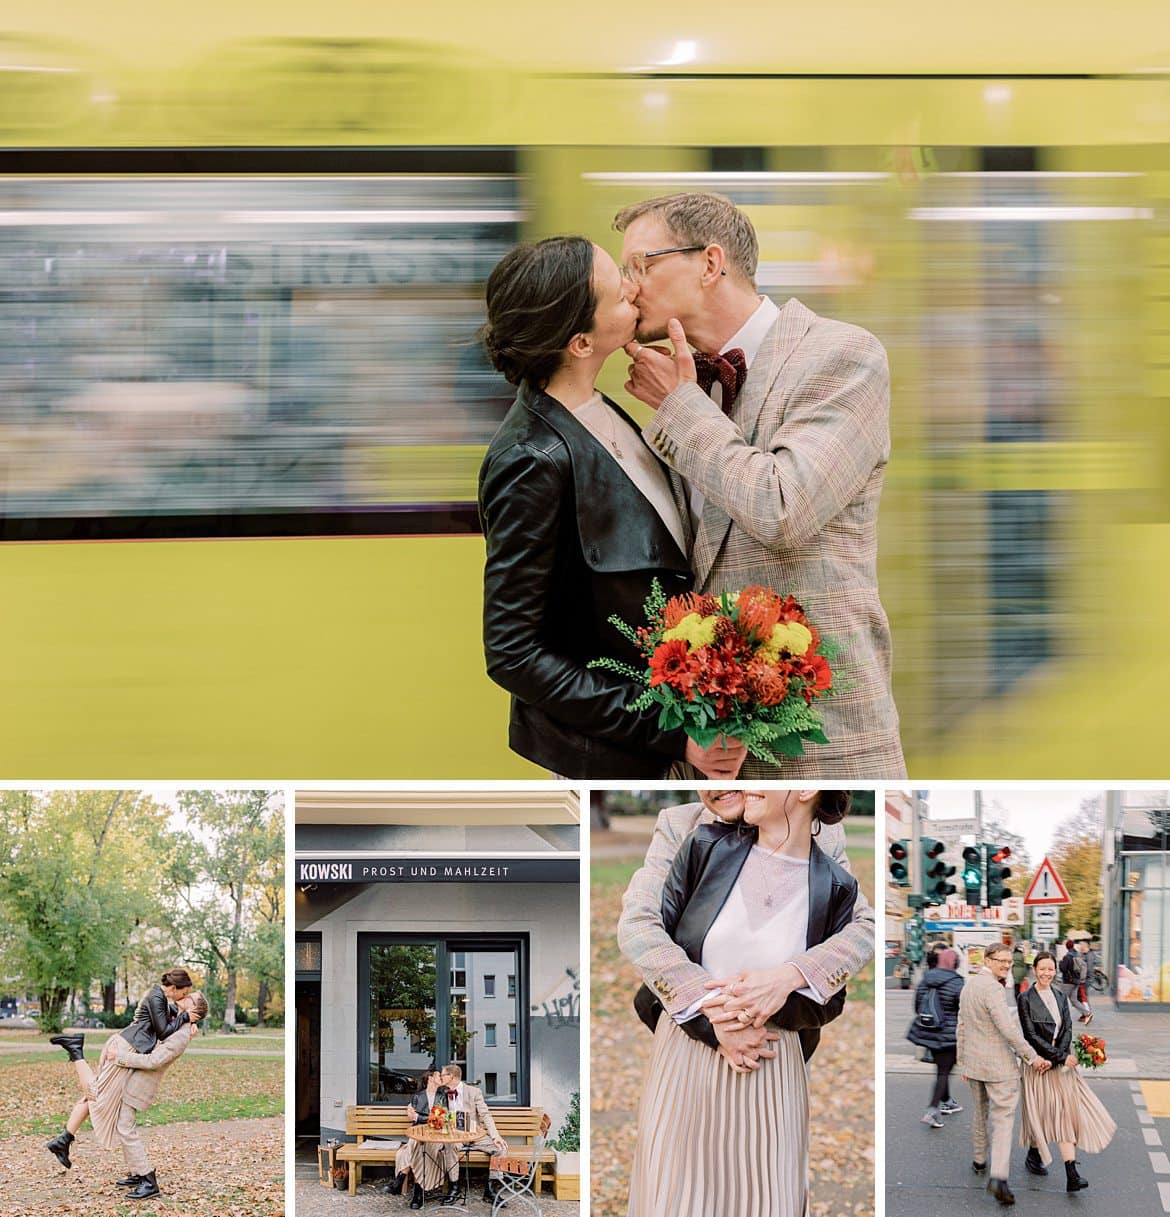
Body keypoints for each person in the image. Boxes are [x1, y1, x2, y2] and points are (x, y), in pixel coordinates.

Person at [616, 191, 905, 778]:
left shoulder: (844, 356)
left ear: (709, 263)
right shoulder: (685, 381)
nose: (628, 288)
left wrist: (680, 405)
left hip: (826, 744)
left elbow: (783, 507)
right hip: (711, 750)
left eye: (641, 265)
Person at [478, 235, 746, 780]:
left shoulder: (597, 409)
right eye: (617, 291)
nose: (634, 286)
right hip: (606, 760)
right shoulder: (532, 458)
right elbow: (512, 652)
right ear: (580, 342)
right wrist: (671, 730)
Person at [621, 789, 868, 1216]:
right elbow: (640, 926)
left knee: (764, 1194)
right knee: (675, 1193)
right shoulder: (692, 835)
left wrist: (788, 976)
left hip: (771, 1061)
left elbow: (859, 932)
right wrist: (714, 1010)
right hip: (689, 1045)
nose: (720, 786)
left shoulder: (829, 858)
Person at [46, 992, 208, 1199]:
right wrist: (191, 1021)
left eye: (189, 998)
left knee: (121, 1123)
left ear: (194, 1010)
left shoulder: (182, 1034)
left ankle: (148, 1181)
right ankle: (137, 1174)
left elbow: (154, 1061)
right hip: (129, 1077)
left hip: (138, 1085)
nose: (184, 997)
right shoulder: (180, 1022)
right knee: (103, 1103)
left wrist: (119, 1057)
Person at [957, 941, 1051, 1206]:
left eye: (1009, 962)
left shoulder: (969, 985)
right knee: (1003, 1120)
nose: (1007, 966)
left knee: (980, 1112)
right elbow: (1008, 1029)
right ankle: (998, 1177)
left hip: (974, 1064)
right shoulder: (993, 990)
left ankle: (979, 1159)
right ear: (987, 960)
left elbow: (961, 1025)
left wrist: (962, 1060)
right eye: (1001, 961)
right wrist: (1031, 1057)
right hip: (999, 1067)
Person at [1016, 951, 1116, 1192]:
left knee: (1062, 1116)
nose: (1047, 973)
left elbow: (1068, 1029)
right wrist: (1057, 1057)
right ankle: (1033, 1153)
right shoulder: (1025, 998)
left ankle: (1072, 1174)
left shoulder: (1061, 996)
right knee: (1039, 1114)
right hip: (1038, 1065)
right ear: (1034, 970)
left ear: (1055, 971)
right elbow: (1030, 1035)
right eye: (1042, 969)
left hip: (1059, 1067)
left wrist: (1060, 1058)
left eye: (1050, 969)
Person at [434, 1063, 510, 1206]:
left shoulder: (474, 1092)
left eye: (443, 1074)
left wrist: (495, 1136)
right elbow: (438, 1115)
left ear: (450, 1076)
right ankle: (454, 1188)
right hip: (455, 1136)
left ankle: (491, 1190)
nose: (440, 1077)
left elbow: (485, 1114)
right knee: (449, 1147)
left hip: (475, 1134)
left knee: (500, 1149)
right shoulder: (442, 1093)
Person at [384, 1068, 458, 1207]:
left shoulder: (442, 1097)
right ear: (430, 1078)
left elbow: (438, 1120)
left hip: (435, 1138)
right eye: (438, 1076)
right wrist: (422, 1117)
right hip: (419, 1136)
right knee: (418, 1146)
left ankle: (401, 1179)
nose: (441, 1078)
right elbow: (417, 1119)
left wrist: (419, 1116)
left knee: (415, 1146)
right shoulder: (418, 1096)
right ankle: (418, 1193)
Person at [908, 948, 964, 1128]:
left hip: (928, 1031)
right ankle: (932, 1110)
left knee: (942, 1069)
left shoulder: (927, 978)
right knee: (944, 1071)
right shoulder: (957, 982)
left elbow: (917, 1005)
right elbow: (963, 1009)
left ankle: (948, 1101)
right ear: (954, 963)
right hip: (948, 1034)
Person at [1058, 940, 1092, 1023]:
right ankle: (1087, 1013)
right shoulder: (1078, 955)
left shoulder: (1067, 957)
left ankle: (1060, 1018)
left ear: (1067, 947)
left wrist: (1060, 962)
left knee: (1061, 999)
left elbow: (1063, 969)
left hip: (1068, 982)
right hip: (1076, 981)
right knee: (1074, 1000)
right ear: (1073, 946)